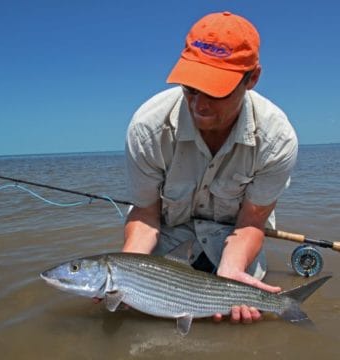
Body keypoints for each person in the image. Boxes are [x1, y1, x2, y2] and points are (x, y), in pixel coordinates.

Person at [123, 11, 298, 324]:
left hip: (234, 237)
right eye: (190, 88)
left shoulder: (277, 138)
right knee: (138, 315)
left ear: (252, 78)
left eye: (217, 91)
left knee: (240, 322)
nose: (199, 107)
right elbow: (146, 214)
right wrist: (128, 271)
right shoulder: (147, 127)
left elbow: (251, 222)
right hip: (170, 235)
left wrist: (231, 272)